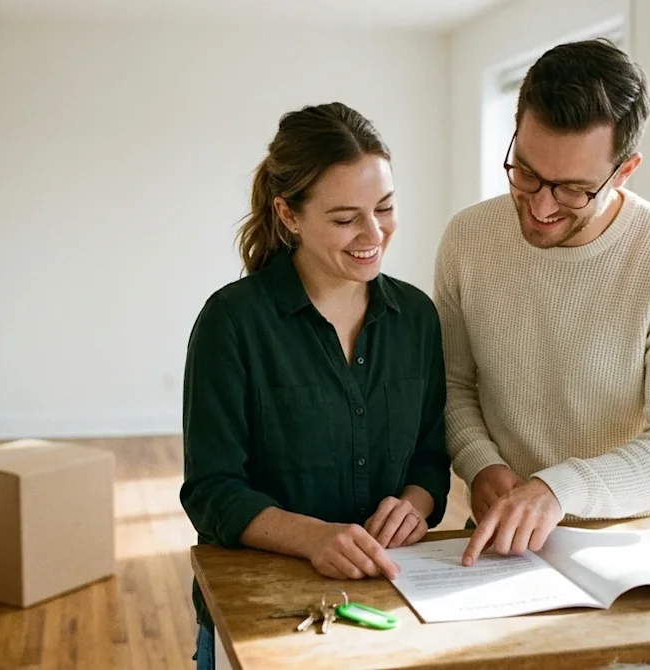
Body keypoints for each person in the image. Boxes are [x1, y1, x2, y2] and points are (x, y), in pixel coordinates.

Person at [434, 38, 650, 567]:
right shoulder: (467, 237)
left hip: (630, 548)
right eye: (525, 172)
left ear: (625, 169)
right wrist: (481, 465)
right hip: (492, 538)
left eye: (572, 189)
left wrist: (556, 491)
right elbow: (452, 385)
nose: (541, 206)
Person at [180, 102, 452, 669]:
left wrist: (414, 504)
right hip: (265, 612)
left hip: (390, 603)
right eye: (345, 218)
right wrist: (312, 538)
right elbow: (211, 490)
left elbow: (429, 456)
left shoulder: (417, 317)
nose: (374, 234)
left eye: (385, 208)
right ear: (290, 215)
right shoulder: (233, 323)